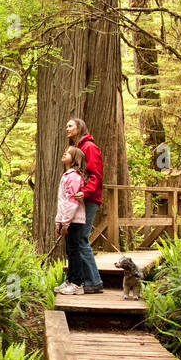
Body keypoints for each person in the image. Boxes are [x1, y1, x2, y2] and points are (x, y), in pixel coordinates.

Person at [67, 117, 105, 294]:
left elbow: (95, 174)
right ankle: (81, 279)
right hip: (81, 199)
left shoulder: (89, 147)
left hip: (88, 200)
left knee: (81, 237)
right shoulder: (78, 148)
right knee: (76, 238)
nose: (67, 129)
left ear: (79, 128)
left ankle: (94, 281)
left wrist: (86, 191)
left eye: (70, 126)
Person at [52, 147, 89, 295]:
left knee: (75, 251)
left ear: (74, 159)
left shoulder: (73, 176)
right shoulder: (66, 175)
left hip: (75, 219)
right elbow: (62, 201)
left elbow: (72, 201)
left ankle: (78, 283)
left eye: (67, 153)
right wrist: (58, 221)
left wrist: (65, 222)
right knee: (70, 250)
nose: (63, 153)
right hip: (68, 219)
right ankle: (70, 279)